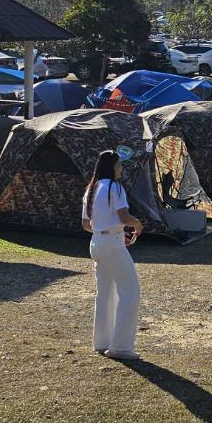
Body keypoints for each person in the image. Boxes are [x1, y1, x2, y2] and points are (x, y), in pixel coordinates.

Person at [80, 150, 143, 360]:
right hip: (111, 245)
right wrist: (136, 224)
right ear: (112, 167)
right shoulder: (114, 187)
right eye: (119, 165)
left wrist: (110, 231)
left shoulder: (91, 188)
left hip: (97, 243)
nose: (121, 169)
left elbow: (86, 224)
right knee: (130, 290)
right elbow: (123, 216)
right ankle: (121, 346)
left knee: (105, 293)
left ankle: (102, 341)